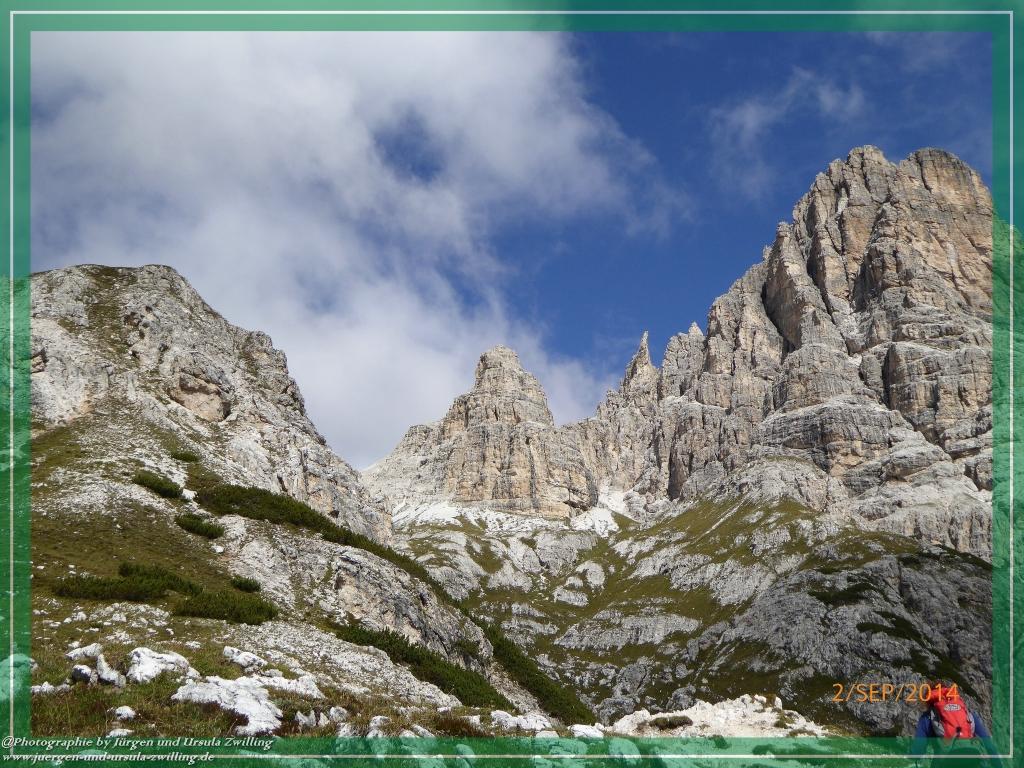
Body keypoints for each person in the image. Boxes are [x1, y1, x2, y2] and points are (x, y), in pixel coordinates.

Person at [910, 682, 1002, 767]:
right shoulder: (968, 714)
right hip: (972, 758)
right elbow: (989, 745)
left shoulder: (928, 717)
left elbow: (917, 750)